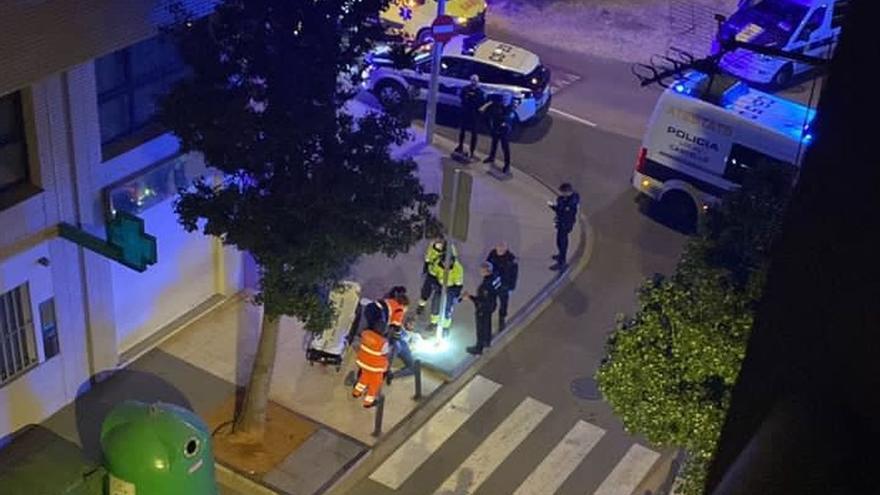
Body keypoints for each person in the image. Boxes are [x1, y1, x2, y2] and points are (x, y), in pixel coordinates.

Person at [464, 262, 499, 355]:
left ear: (485, 271)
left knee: (481, 328)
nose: (480, 272)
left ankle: (478, 347)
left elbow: (482, 300)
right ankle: (487, 342)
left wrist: (470, 297)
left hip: (484, 309)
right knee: (487, 324)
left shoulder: (485, 285)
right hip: (492, 305)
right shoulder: (495, 278)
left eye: (481, 270)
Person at [351, 325, 390, 408]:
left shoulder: (366, 333)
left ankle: (356, 393)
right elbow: (385, 353)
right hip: (376, 367)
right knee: (374, 385)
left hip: (363, 362)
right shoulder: (383, 342)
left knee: (363, 378)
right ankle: (368, 402)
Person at [417, 237, 457, 315]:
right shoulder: (432, 246)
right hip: (432, 272)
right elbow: (428, 259)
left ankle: (436, 313)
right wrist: (425, 270)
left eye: (440, 241)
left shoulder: (449, 247)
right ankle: (421, 306)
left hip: (442, 273)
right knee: (426, 290)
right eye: (437, 241)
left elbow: (454, 258)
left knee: (439, 293)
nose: (438, 242)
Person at [428, 255, 464, 336]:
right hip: (439, 286)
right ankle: (433, 323)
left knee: (447, 309)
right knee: (435, 305)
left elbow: (458, 285)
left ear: (451, 261)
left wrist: (453, 294)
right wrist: (436, 285)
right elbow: (432, 276)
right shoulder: (438, 263)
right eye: (443, 262)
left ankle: (445, 327)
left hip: (451, 288)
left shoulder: (457, 268)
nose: (445, 264)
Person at [482, 94, 517, 174]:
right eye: (503, 99)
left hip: (504, 130)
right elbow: (488, 113)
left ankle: (507, 164)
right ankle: (491, 157)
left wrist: (506, 124)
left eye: (506, 100)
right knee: (494, 143)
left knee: (505, 147)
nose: (504, 101)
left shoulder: (509, 109)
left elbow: (509, 119)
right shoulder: (496, 106)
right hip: (496, 128)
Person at [486, 242, 518, 329]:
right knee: (491, 301)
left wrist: (512, 286)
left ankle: (502, 317)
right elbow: (487, 266)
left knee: (504, 303)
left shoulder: (510, 259)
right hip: (493, 284)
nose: (499, 250)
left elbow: (514, 273)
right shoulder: (492, 255)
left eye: (502, 248)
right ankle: (490, 311)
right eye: (498, 248)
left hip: (504, 285)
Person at [549, 182, 580, 270]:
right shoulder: (564, 199)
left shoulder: (571, 202)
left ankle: (562, 262)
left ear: (567, 192)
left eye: (563, 192)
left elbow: (563, 211)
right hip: (561, 222)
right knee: (559, 240)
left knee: (562, 242)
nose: (561, 194)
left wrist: (554, 207)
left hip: (565, 224)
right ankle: (560, 255)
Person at [455, 75, 486, 159]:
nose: (474, 82)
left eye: (475, 80)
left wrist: (471, 98)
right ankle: (460, 146)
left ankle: (472, 151)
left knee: (474, 133)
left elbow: (481, 102)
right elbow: (462, 97)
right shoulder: (465, 89)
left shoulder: (480, 92)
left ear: (478, 81)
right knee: (462, 130)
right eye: (472, 80)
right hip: (465, 113)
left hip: (474, 115)